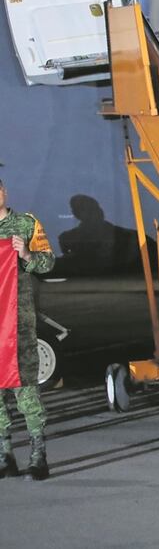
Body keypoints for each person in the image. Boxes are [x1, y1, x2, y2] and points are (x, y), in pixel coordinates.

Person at [0, 177, 56, 480]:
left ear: (4, 192)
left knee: (26, 390)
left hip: (19, 325)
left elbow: (48, 263)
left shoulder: (26, 224)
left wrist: (26, 255)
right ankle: (5, 454)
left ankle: (38, 455)